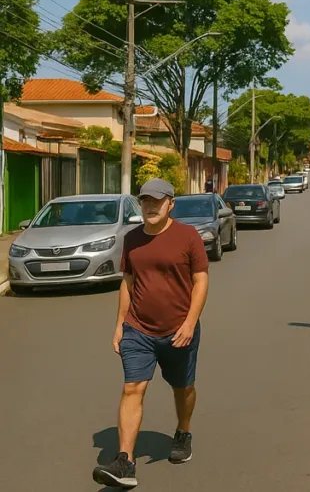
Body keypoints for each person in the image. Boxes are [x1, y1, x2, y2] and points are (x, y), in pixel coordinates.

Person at [93, 178, 209, 490]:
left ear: (171, 203)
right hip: (138, 328)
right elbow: (128, 282)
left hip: (178, 330)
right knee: (132, 388)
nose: (150, 206)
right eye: (145, 201)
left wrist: (189, 322)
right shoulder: (132, 239)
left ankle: (183, 431)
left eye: (157, 201)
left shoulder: (187, 236)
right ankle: (125, 461)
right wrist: (119, 324)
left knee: (182, 387)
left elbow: (200, 281)